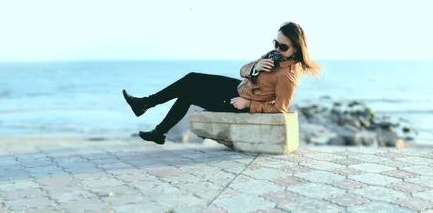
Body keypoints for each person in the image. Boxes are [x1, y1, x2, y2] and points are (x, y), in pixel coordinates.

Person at [122, 21, 321, 145]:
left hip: (239, 102)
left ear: (296, 48)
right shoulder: (272, 57)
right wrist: (256, 67)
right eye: (275, 43)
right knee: (192, 77)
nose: (277, 49)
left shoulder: (288, 76)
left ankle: (152, 119)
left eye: (283, 46)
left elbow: (280, 108)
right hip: (238, 86)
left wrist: (248, 104)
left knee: (187, 93)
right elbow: (242, 70)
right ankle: (149, 113)